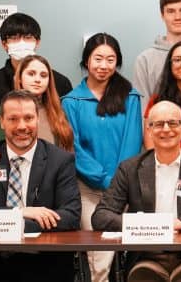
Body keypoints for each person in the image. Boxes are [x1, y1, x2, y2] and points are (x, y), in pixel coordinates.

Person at [94, 101, 181, 282]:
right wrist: (142, 224)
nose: (166, 129)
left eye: (173, 123)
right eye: (158, 124)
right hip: (147, 257)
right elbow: (101, 216)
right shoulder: (130, 169)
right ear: (149, 130)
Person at [0, 91, 81, 282]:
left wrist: (4, 224)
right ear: (2, 122)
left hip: (43, 263)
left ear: (38, 119)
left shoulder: (61, 160)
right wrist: (20, 212)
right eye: (13, 119)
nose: (22, 126)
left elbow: (70, 216)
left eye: (28, 118)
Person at [61, 33, 144, 282]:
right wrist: (103, 179)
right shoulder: (71, 101)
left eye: (110, 59)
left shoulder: (131, 97)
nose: (103, 65)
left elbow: (132, 142)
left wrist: (117, 183)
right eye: (98, 58)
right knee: (98, 259)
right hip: (87, 190)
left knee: (128, 255)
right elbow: (72, 147)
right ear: (86, 60)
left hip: (125, 189)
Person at [0, 13, 73, 116]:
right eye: (14, 38)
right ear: (4, 44)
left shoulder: (60, 83)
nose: (22, 43)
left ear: (37, 42)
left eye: (28, 37)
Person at [0, 55, 74, 150]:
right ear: (19, 78)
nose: (37, 80)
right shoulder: (2, 111)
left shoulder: (59, 113)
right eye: (31, 74)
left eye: (43, 75)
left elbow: (68, 153)